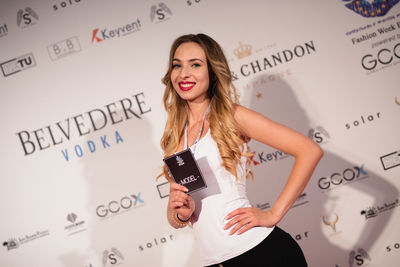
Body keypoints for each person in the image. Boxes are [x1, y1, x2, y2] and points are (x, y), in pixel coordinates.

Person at [159, 33, 323, 267]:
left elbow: (309, 150)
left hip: (261, 253)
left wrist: (273, 214)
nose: (184, 73)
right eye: (177, 65)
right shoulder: (175, 135)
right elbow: (179, 219)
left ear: (212, 71)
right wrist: (178, 213)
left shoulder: (232, 116)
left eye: (195, 64)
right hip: (215, 261)